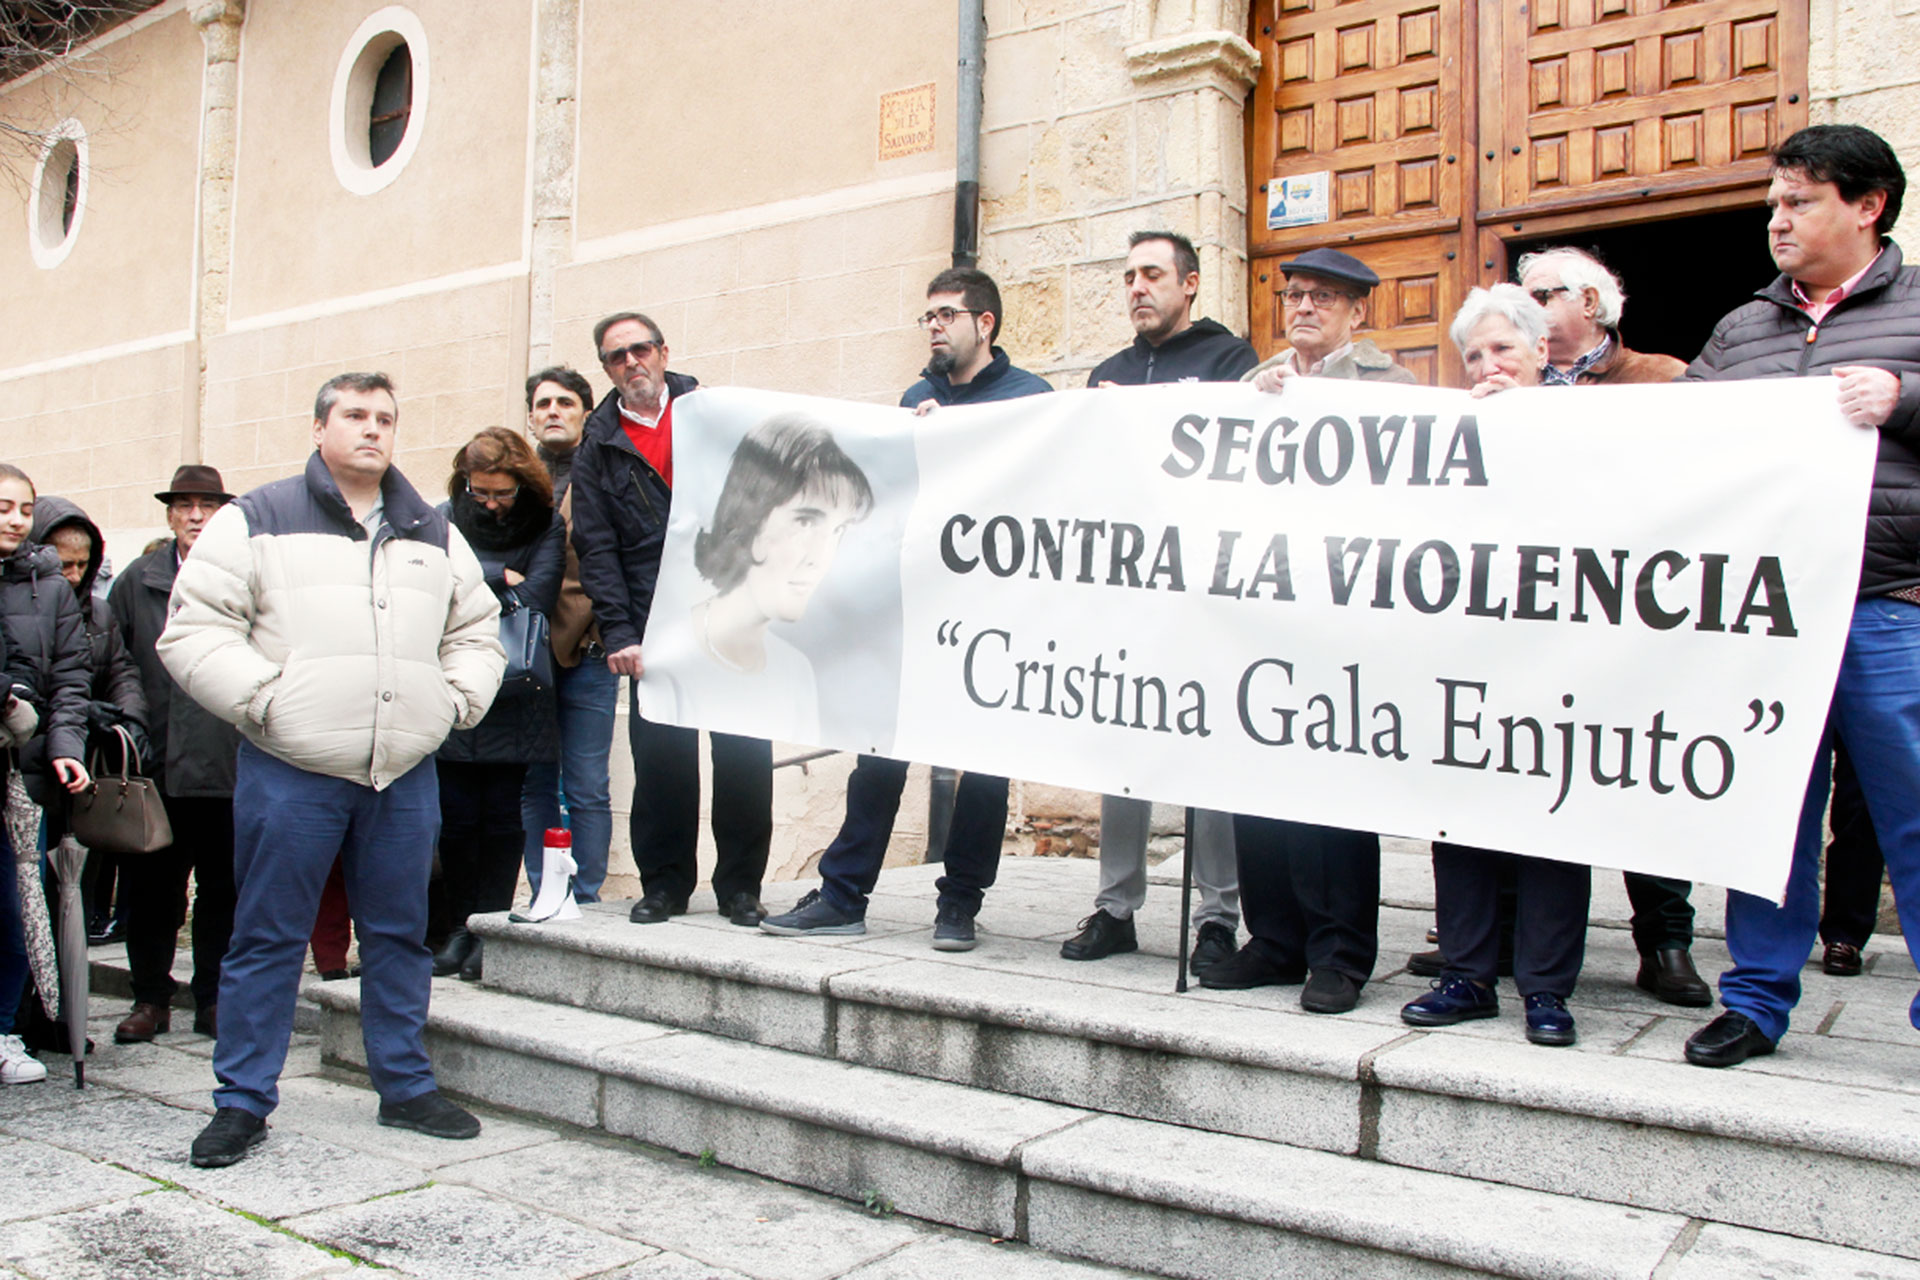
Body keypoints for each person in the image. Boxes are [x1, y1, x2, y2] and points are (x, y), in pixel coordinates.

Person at [160, 372, 505, 1166]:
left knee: (399, 936)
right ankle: (242, 1102)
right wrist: (267, 701)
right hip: (293, 768)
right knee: (266, 937)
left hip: (402, 771)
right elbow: (192, 632)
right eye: (355, 415)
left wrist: (453, 703)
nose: (373, 430)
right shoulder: (256, 519)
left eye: (386, 417)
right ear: (319, 428)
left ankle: (407, 1087)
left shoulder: (432, 529)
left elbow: (476, 632)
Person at [1678, 125, 1920, 1068]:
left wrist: (1904, 398)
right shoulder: (1744, 329)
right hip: (1769, 621)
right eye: (1774, 202)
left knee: (1910, 807)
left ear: (1868, 206)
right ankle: (1756, 1000)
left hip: (1885, 605)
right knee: (1768, 811)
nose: (1776, 220)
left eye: (1799, 201)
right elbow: (1669, 439)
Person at [762, 267, 1050, 950]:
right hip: (914, 607)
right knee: (880, 748)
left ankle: (959, 904)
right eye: (928, 317)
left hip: (988, 610)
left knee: (980, 759)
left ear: (985, 324)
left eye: (947, 315)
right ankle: (843, 893)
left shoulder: (1030, 398)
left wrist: (956, 439)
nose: (934, 327)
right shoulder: (916, 396)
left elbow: (1035, 494)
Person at [1220, 248, 1413, 1014]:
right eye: (1294, 294)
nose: (1303, 307)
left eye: (1322, 298)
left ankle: (1338, 952)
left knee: (1331, 792)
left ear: (1356, 313)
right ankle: (1274, 938)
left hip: (1339, 617)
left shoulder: (1389, 387)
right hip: (1260, 613)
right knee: (1256, 781)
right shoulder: (1254, 385)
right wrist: (1251, 406)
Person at [1398, 286, 1590, 1048]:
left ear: (1544, 351)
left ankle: (1546, 990)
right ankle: (1468, 975)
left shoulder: (1593, 428)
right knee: (1464, 817)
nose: (1487, 365)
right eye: (1473, 354)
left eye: (1503, 349)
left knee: (1551, 821)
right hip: (1469, 658)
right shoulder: (1449, 436)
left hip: (1558, 656)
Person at [1064, 231, 1253, 973]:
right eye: (1129, 276)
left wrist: (1146, 414)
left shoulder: (1229, 360)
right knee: (1126, 750)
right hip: (1127, 587)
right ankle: (1117, 908)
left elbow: (1234, 448)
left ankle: (1216, 915)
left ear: (1191, 284)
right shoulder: (1108, 372)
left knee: (1205, 752)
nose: (1138, 287)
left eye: (1152, 274)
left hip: (1203, 590)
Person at [570, 312, 773, 928]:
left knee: (743, 754)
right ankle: (664, 885)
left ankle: (740, 886)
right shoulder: (597, 445)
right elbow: (597, 549)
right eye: (615, 357)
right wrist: (620, 632)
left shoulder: (715, 413)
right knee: (661, 761)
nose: (631, 363)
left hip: (729, 609)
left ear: (663, 352)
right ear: (606, 369)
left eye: (640, 350)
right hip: (651, 624)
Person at [106, 466, 243, 1044]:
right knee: (153, 894)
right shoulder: (138, 581)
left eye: (206, 506)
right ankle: (149, 998)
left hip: (226, 765)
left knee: (222, 893)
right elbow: (112, 663)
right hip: (155, 768)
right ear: (169, 515)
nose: (194, 516)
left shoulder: (243, 575)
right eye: (184, 505)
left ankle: (212, 1000)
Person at [432, 428, 564, 982]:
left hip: (517, 687)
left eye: (500, 493)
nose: (487, 502)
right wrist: (495, 575)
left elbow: (537, 596)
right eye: (478, 490)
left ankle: (487, 927)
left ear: (523, 483)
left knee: (503, 816)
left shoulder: (547, 523)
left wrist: (488, 584)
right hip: (456, 677)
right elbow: (436, 585)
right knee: (456, 820)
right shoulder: (443, 517)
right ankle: (454, 928)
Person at [659, 413, 874, 744]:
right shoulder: (672, 650)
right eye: (805, 522)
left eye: (838, 530)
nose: (821, 556)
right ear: (749, 516)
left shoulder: (795, 672)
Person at [28, 496, 146, 966]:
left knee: (75, 896)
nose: (73, 576)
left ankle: (65, 1012)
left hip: (84, 775)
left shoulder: (98, 614)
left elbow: (123, 672)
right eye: (63, 565)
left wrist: (132, 721)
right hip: (35, 767)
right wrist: (74, 710)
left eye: (81, 564)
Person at [0, 463, 89, 1086]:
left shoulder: (48, 584)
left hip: (19, 773)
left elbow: (70, 678)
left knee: (17, 907)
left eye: (24, 508)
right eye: (3, 505)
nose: (14, 518)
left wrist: (65, 745)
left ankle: (8, 1030)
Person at [520, 366, 618, 903]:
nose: (553, 411)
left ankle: (584, 895)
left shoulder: (603, 474)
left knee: (586, 784)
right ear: (531, 417)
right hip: (528, 657)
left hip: (591, 651)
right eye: (543, 404)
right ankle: (543, 891)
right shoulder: (516, 482)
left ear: (584, 412)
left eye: (565, 402)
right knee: (535, 783)